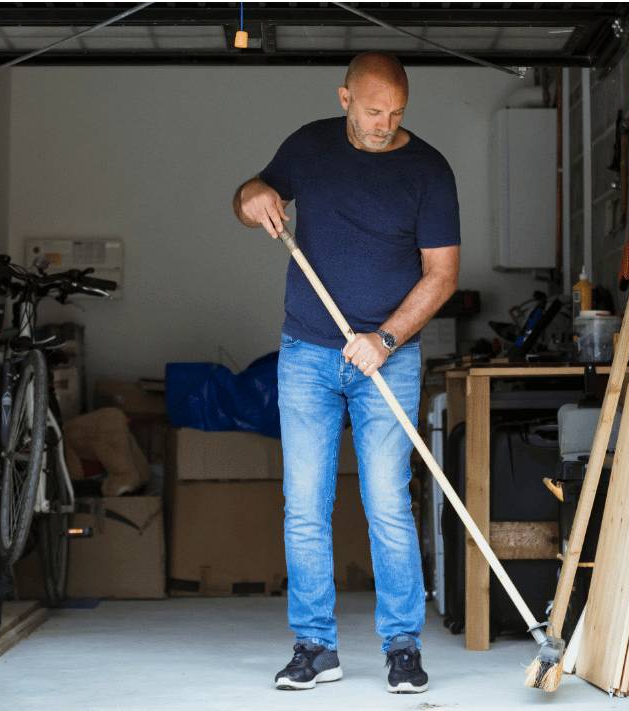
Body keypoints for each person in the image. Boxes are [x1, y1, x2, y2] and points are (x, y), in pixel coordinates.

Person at [231, 51, 460, 694]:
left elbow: (443, 275)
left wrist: (384, 339)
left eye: (396, 113)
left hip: (390, 357)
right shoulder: (308, 148)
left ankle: (403, 647)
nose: (384, 124)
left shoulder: (428, 170)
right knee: (304, 505)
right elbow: (252, 194)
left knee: (387, 502)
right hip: (307, 353)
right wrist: (252, 195)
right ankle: (314, 646)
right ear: (344, 98)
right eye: (372, 110)